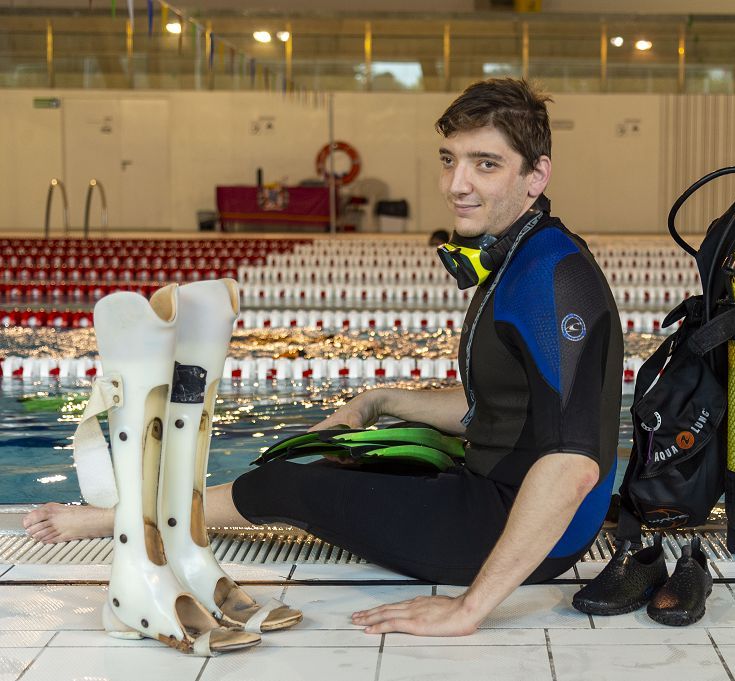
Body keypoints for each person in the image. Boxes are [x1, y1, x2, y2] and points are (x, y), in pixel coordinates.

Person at [25, 78, 623, 638]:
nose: (456, 184)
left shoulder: (552, 281)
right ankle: (157, 514)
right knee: (341, 448)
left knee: (295, 483)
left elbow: (574, 465)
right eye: (449, 159)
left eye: (485, 164)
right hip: (494, 485)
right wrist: (375, 401)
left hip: (525, 525)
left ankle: (119, 520)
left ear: (536, 174)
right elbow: (504, 408)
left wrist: (469, 608)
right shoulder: (522, 257)